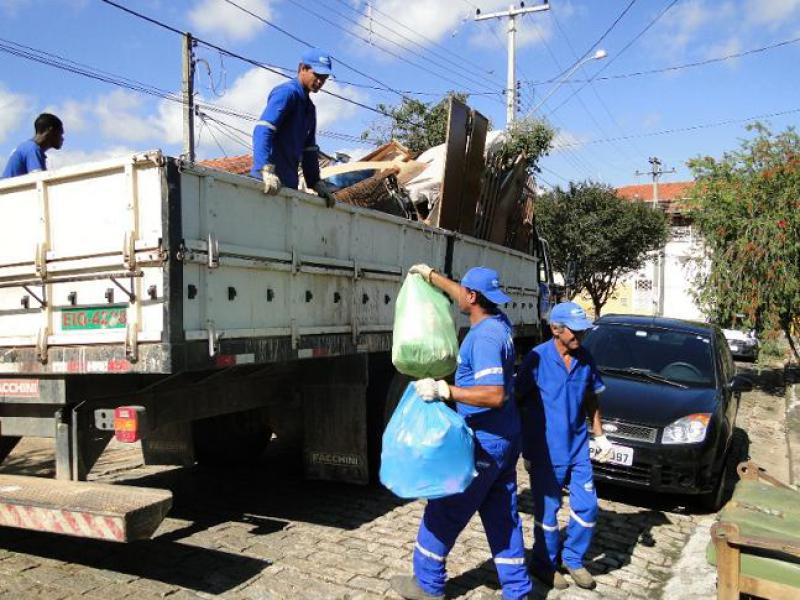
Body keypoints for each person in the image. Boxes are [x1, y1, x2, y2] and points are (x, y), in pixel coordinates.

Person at [391, 264, 533, 600]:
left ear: (472, 297)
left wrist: (445, 390)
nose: (460, 296)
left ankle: (427, 585)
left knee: (445, 508)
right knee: (502, 517)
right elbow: (463, 294)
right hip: (505, 441)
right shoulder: (498, 322)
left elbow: (494, 394)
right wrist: (431, 276)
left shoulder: (484, 338)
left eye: (464, 292)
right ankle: (517, 590)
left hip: (483, 443)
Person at [516, 301, 614, 591]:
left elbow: (591, 398)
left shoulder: (585, 358)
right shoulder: (537, 358)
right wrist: (525, 447)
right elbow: (517, 401)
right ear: (555, 329)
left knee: (588, 507)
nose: (580, 335)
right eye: (575, 330)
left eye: (583, 330)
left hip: (578, 448)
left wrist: (600, 435)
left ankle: (572, 558)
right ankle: (543, 564)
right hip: (546, 451)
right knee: (548, 513)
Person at [250, 48, 336, 207]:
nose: (320, 82)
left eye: (324, 78)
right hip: (267, 183)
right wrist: (264, 170)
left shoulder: (310, 109)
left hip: (289, 185)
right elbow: (263, 129)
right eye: (317, 75)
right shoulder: (286, 93)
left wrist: (316, 182)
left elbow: (309, 150)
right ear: (302, 68)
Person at [2, 113, 64, 179]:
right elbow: (38, 179)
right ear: (50, 131)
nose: (62, 138)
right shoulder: (32, 149)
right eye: (60, 133)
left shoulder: (26, 147)